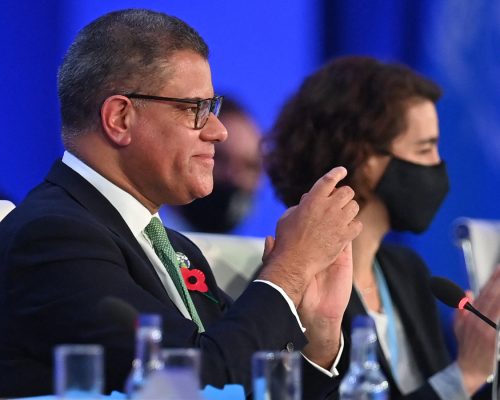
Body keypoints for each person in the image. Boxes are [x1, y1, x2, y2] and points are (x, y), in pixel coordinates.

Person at [0, 9, 362, 399]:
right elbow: (187, 386)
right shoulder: (51, 237)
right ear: (120, 118)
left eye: (214, 108)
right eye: (195, 109)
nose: (218, 131)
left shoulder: (178, 250)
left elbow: (244, 379)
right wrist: (291, 269)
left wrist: (321, 337)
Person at [263, 56, 500, 399]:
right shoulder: (301, 286)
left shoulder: (407, 271)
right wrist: (467, 373)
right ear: (364, 161)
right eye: (425, 148)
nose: (439, 165)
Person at [164, 97, 263, 233]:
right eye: (219, 158)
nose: (233, 176)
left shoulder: (256, 252)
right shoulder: (137, 242)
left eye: (250, 166)